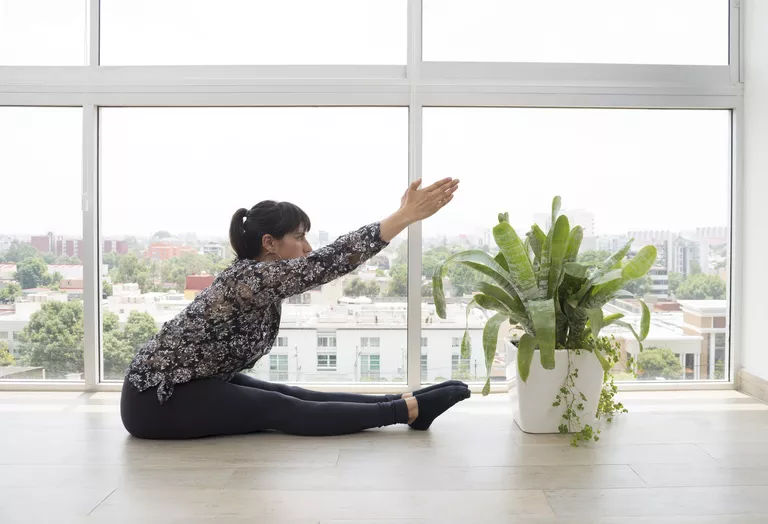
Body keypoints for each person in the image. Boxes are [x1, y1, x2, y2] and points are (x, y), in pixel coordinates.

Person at [120, 177, 469, 439]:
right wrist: (402, 217)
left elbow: (319, 262)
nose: (306, 247)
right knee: (280, 409)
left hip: (194, 383)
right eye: (299, 237)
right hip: (156, 399)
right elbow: (328, 262)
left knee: (291, 393)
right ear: (269, 243)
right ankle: (407, 411)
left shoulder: (259, 279)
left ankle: (404, 400)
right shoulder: (249, 279)